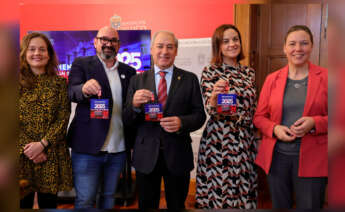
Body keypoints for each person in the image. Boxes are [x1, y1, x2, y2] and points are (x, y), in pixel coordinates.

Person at [123, 31, 206, 209]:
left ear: (176, 51)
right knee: (147, 205)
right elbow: (127, 119)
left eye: (170, 47)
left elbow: (200, 116)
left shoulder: (189, 79)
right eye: (160, 46)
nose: (164, 51)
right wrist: (135, 105)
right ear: (152, 50)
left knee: (177, 205)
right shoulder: (136, 80)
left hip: (177, 154)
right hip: (146, 156)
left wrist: (182, 123)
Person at [253, 25, 328, 209]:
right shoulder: (272, 79)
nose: (298, 49)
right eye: (292, 44)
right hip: (276, 159)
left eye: (304, 43)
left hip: (314, 159)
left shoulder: (327, 77)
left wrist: (314, 122)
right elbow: (259, 117)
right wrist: (275, 128)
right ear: (284, 48)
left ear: (311, 46)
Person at [67, 26, 136, 209]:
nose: (108, 43)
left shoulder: (129, 72)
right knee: (85, 201)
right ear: (95, 42)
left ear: (119, 45)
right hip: (87, 149)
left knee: (109, 198)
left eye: (113, 40)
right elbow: (71, 92)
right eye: (104, 39)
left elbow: (130, 109)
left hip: (118, 150)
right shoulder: (81, 64)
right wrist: (82, 89)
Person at [195, 24, 258, 209]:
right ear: (218, 46)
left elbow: (253, 107)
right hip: (219, 142)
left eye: (235, 39)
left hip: (245, 140)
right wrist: (214, 98)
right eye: (226, 41)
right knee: (219, 192)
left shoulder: (249, 73)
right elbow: (210, 109)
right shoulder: (210, 72)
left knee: (242, 190)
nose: (232, 44)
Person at [18, 32, 73, 208]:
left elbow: (63, 118)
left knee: (48, 204)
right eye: (32, 49)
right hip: (21, 155)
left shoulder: (59, 83)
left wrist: (42, 144)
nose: (37, 53)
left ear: (49, 54)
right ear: (24, 54)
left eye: (42, 49)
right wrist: (29, 148)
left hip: (51, 154)